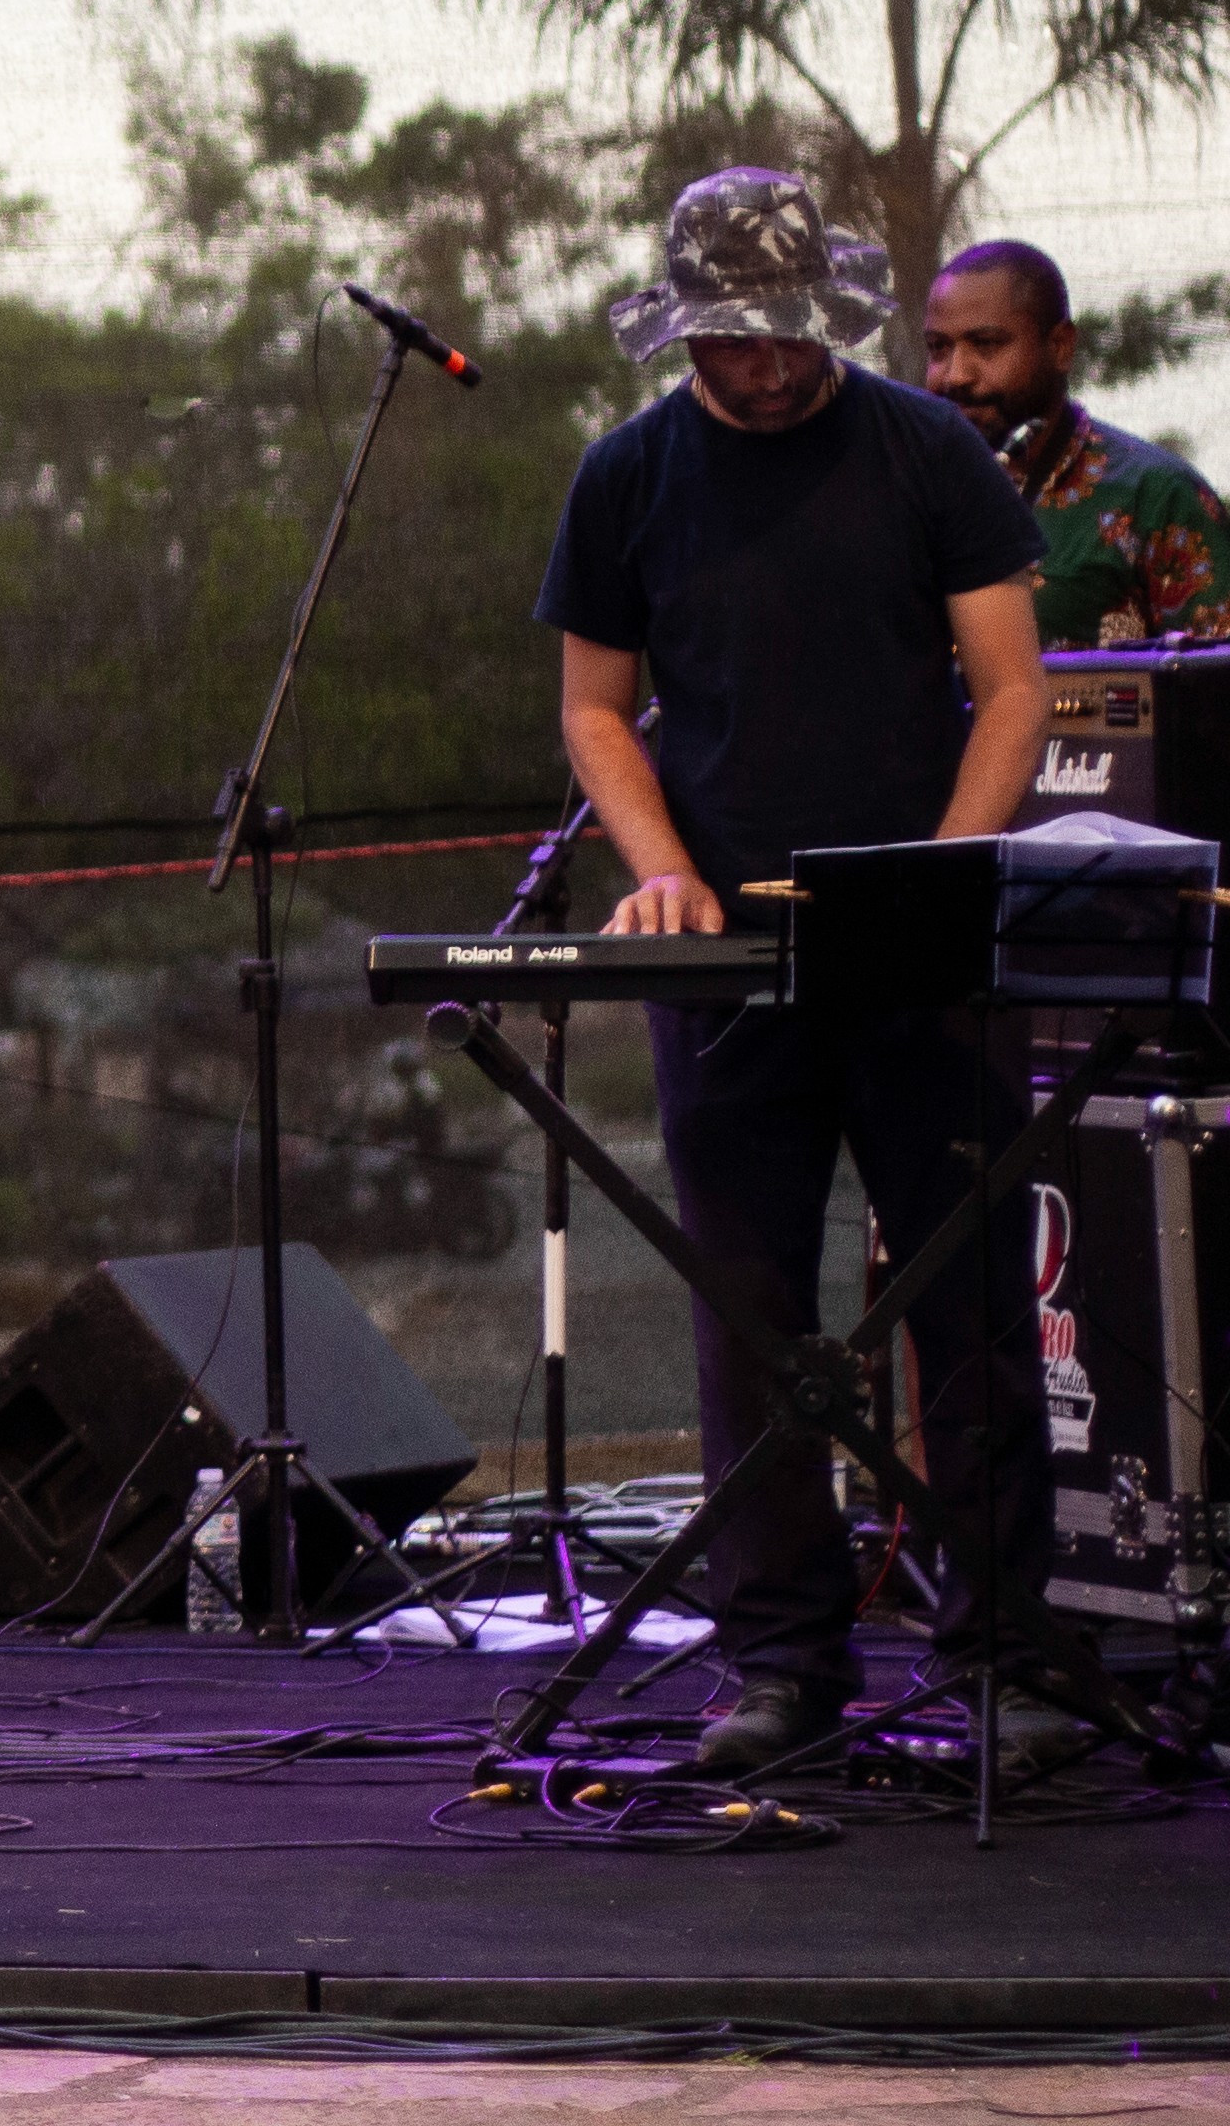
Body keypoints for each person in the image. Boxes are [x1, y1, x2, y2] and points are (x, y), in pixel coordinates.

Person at [541, 168, 1069, 1780]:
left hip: (918, 942)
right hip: (729, 959)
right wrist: (665, 872)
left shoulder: (926, 450)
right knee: (755, 1314)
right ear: (683, 331)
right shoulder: (629, 475)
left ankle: (1004, 1660)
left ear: (821, 317)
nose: (759, 367)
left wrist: (941, 875)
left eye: (780, 338)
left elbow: (1012, 690)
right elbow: (595, 709)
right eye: (726, 342)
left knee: (970, 1307)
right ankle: (778, 1662)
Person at [919, 236, 1230, 649]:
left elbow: (1214, 686)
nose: (955, 374)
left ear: (1061, 346)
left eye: (986, 344)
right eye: (938, 348)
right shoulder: (909, 491)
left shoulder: (1156, 494)